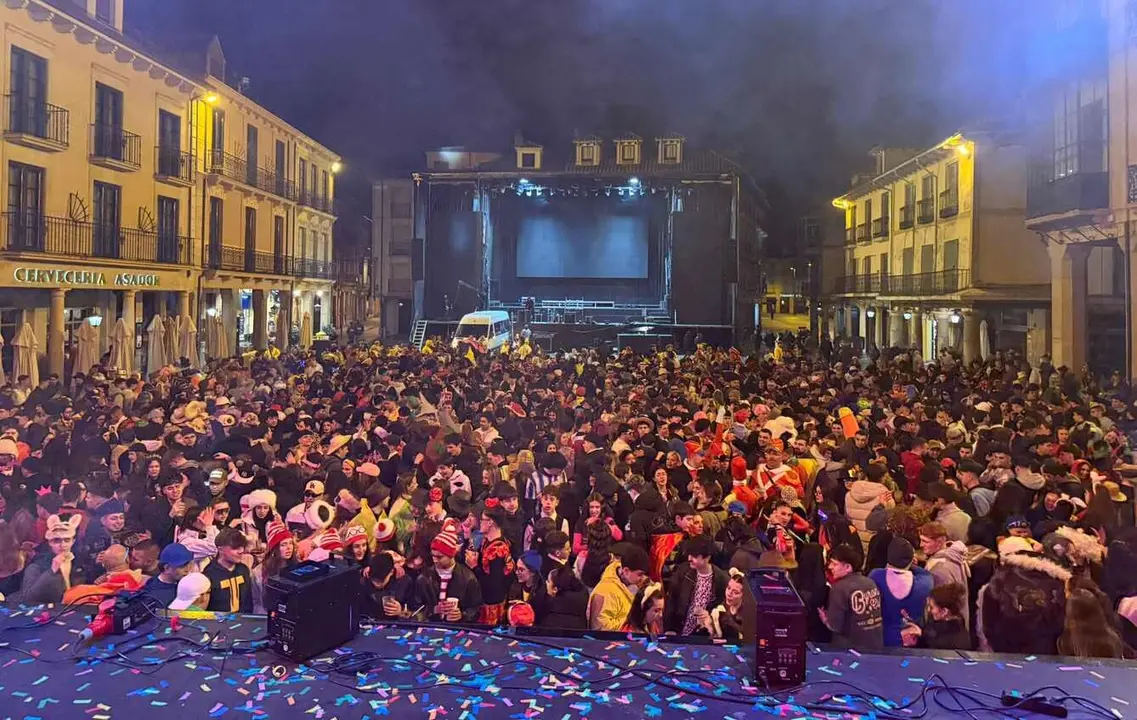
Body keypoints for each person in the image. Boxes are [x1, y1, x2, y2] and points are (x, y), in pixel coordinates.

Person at [870, 537, 934, 647]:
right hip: (913, 640)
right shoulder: (924, 582)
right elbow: (924, 573)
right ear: (911, 559)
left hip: (883, 638)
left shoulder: (876, 576)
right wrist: (911, 565)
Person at [820, 543, 883, 649]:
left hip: (851, 650)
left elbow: (835, 626)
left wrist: (826, 619)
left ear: (848, 567)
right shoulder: (870, 582)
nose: (830, 567)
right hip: (875, 645)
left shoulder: (839, 588)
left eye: (834, 564)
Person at [664, 535, 729, 636]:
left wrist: (710, 615)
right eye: (689, 554)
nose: (689, 558)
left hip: (703, 634)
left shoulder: (722, 579)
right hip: (679, 630)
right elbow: (671, 600)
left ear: (707, 557)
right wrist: (669, 628)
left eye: (694, 556)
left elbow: (723, 607)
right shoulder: (683, 571)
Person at [417, 527, 483, 622]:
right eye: (433, 555)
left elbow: (477, 609)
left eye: (439, 557)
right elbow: (415, 609)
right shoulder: (424, 578)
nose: (434, 560)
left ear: (451, 555)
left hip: (457, 630)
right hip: (430, 628)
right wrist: (433, 610)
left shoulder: (468, 578)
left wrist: (462, 615)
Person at [588, 544, 650, 631]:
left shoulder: (630, 584)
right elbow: (600, 628)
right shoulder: (604, 592)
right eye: (640, 574)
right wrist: (634, 621)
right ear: (626, 571)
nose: (643, 578)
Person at [203, 528, 253, 613]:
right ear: (220, 549)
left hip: (244, 622)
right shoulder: (208, 574)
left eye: (242, 546)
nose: (241, 551)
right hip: (218, 623)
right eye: (235, 548)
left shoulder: (243, 569)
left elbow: (248, 602)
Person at [141, 543, 195, 607]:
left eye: (188, 564)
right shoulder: (153, 596)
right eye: (182, 566)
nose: (187, 569)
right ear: (166, 568)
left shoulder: (186, 584)